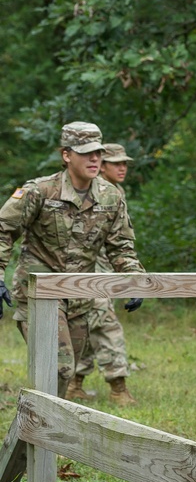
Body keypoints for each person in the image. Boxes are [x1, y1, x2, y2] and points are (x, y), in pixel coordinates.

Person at [0, 122, 145, 402]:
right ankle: (35, 430)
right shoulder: (40, 191)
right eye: (86, 153)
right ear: (67, 155)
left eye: (98, 153)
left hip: (80, 298)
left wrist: (134, 279)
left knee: (64, 374)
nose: (94, 159)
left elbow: (121, 247)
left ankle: (35, 431)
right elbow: (3, 229)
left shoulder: (111, 197)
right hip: (39, 295)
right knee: (59, 367)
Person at [67, 143, 141, 405]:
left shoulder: (115, 192)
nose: (122, 167)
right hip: (85, 272)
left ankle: (74, 383)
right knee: (105, 323)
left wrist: (131, 277)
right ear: (102, 165)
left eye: (125, 163)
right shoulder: (87, 189)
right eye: (116, 163)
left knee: (89, 324)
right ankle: (118, 387)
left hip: (106, 271)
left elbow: (120, 241)